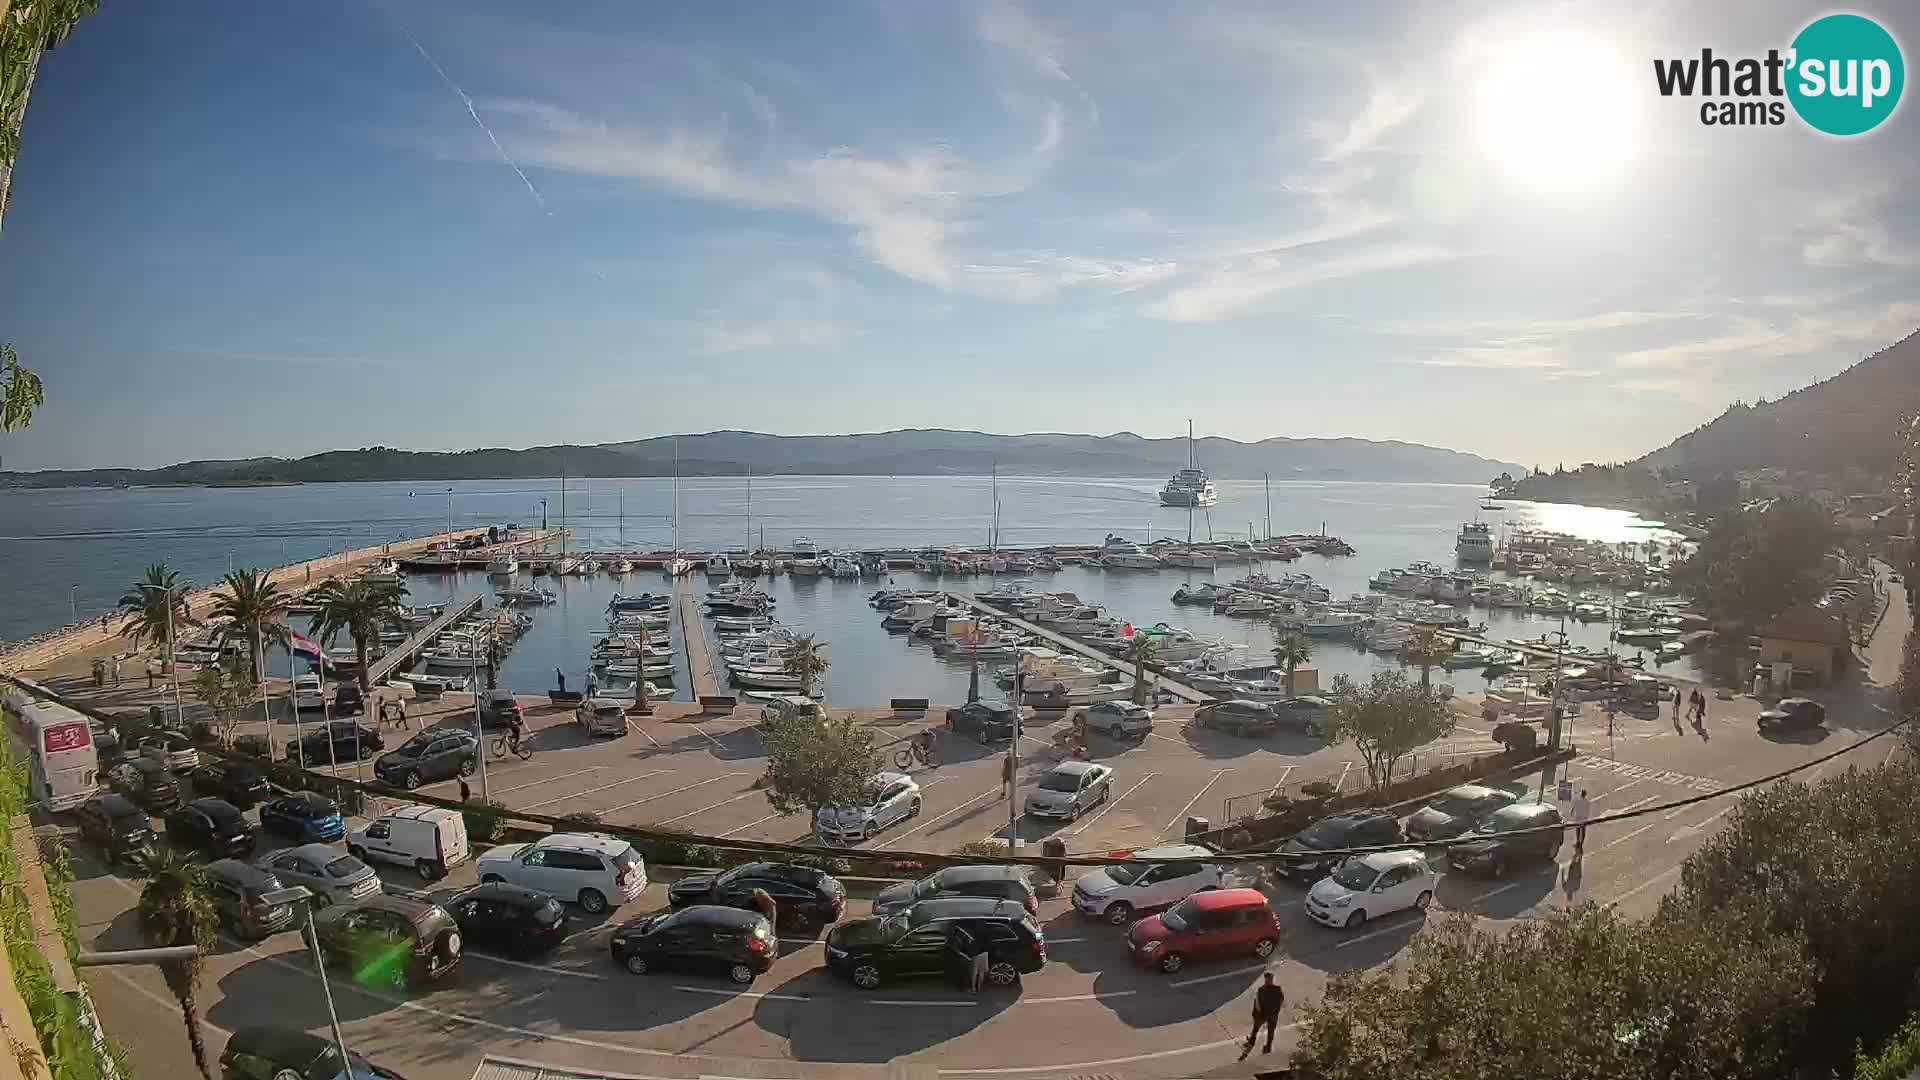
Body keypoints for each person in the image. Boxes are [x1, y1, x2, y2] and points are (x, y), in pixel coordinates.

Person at [1240, 972, 1287, 1058]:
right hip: (1272, 1015)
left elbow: (1257, 1004)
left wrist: (1256, 1014)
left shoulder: (1261, 989)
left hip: (1262, 1015)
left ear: (1266, 979)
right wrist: (1276, 1011)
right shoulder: (1277, 989)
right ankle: (1267, 1048)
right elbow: (1281, 1001)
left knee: (1256, 1030)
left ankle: (1251, 1043)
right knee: (1269, 1033)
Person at [1572, 787, 1591, 855]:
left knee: (1578, 830)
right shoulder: (1587, 802)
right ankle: (1581, 843)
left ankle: (1578, 841)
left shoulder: (1578, 800)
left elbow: (1574, 806)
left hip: (1578, 817)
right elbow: (1587, 810)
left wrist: (1572, 812)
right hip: (1584, 818)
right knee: (1583, 831)